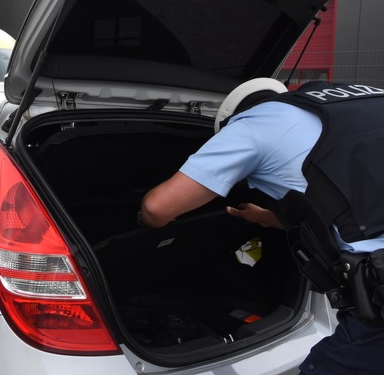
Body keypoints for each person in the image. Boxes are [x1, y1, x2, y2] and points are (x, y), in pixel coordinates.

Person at [139, 78, 384, 374]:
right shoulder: (360, 99)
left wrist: (143, 223)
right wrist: (263, 217)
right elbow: (347, 200)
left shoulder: (252, 124)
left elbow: (157, 208)